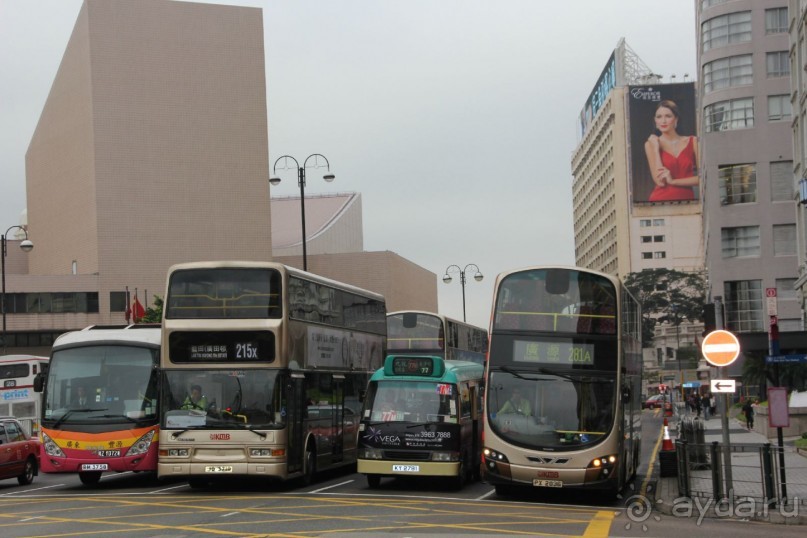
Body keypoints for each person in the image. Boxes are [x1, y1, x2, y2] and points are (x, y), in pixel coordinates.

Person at [644, 99, 699, 202]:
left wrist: (673, 181)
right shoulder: (650, 144)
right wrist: (656, 149)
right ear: (655, 121)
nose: (663, 121)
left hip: (687, 200)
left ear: (676, 119)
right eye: (659, 117)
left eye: (668, 116)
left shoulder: (693, 141)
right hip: (660, 201)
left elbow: (703, 178)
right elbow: (660, 182)